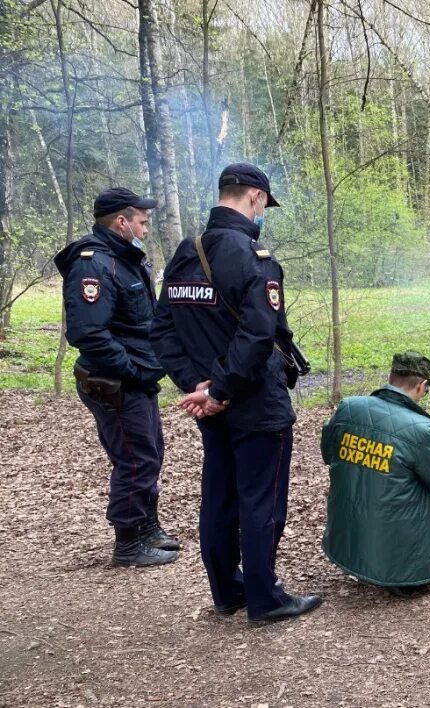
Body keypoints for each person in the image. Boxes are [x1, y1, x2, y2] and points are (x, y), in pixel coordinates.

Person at [150, 163, 320, 623]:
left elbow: (161, 329)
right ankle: (265, 599)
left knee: (220, 497)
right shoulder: (254, 257)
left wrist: (195, 385)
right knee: (260, 501)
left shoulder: (187, 252)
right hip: (255, 403)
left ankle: (228, 591)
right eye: (266, 203)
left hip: (212, 407)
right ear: (256, 197)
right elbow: (259, 334)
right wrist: (219, 389)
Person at [55, 188, 179, 568]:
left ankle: (147, 526)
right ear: (121, 221)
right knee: (136, 458)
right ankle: (128, 543)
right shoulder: (95, 264)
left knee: (150, 451)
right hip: (115, 382)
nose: (145, 226)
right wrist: (132, 369)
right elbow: (87, 333)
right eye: (141, 220)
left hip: (136, 379)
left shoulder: (126, 259)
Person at [321, 352, 430, 596]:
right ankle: (408, 573)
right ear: (421, 386)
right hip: (402, 563)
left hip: (347, 542)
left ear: (390, 377)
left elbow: (328, 453)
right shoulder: (422, 430)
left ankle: (369, 561)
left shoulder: (348, 408)